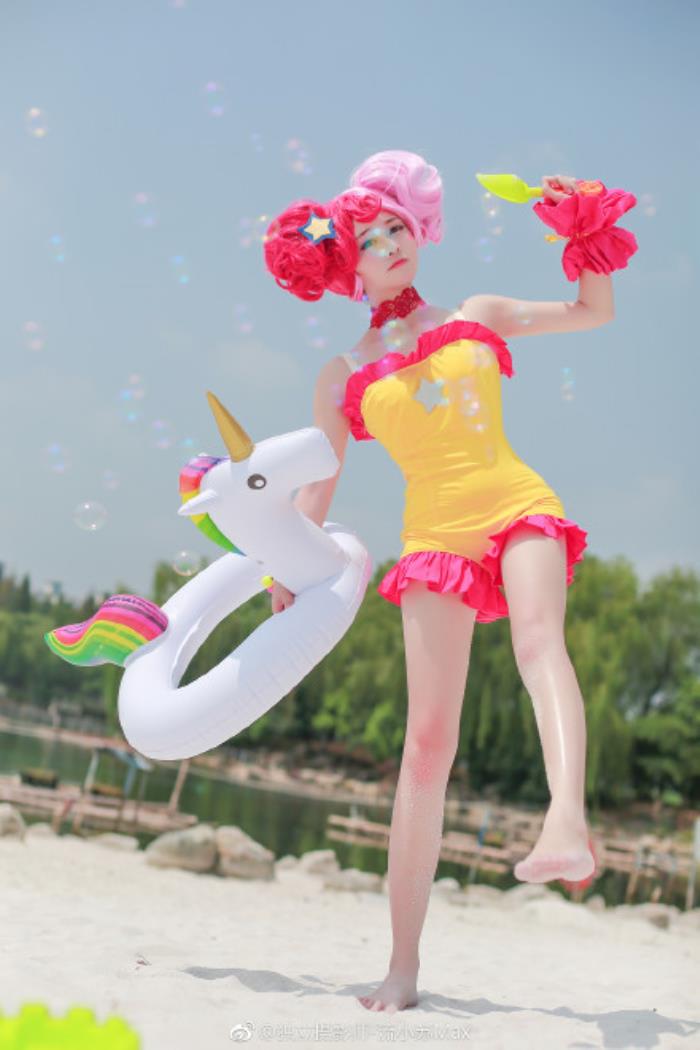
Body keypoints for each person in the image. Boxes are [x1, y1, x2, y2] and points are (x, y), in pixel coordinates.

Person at [262, 150, 636, 1013]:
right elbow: (320, 489)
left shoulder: (477, 314)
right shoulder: (342, 374)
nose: (389, 243)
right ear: (344, 263)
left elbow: (594, 309)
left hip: (517, 501)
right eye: (367, 238)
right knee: (426, 747)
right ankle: (402, 968)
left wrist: (581, 221)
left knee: (540, 645)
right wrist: (289, 563)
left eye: (397, 226)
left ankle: (567, 820)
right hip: (432, 536)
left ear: (418, 228)